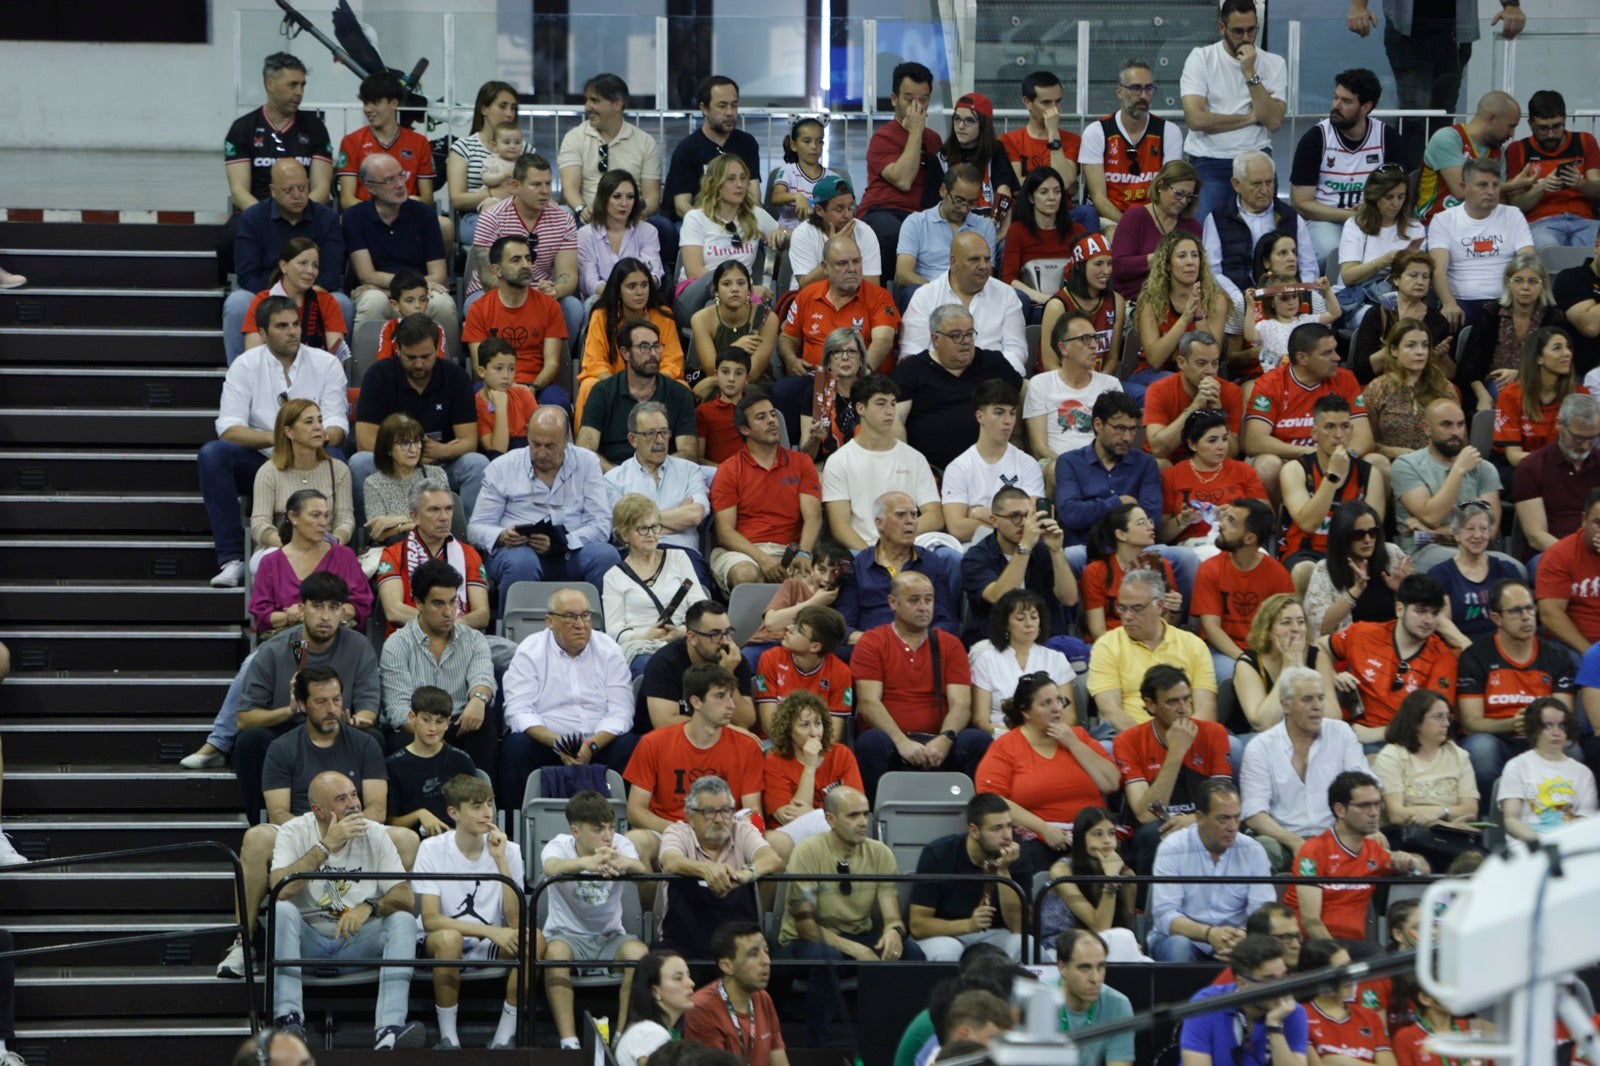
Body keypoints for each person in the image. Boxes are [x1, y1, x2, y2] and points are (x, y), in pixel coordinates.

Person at [268, 770, 425, 1049]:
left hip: (356, 941)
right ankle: (289, 1021)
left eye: (354, 794)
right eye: (342, 799)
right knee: (280, 910)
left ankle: (388, 1030)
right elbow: (281, 888)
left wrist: (370, 906)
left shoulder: (374, 833)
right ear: (318, 810)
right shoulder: (295, 831)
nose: (353, 804)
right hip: (309, 941)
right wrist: (326, 846)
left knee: (402, 920)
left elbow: (404, 896)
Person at [203, 297, 348, 588]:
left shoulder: (326, 363)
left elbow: (338, 425)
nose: (292, 331)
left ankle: (334, 549)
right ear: (263, 333)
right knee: (213, 455)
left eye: (295, 324)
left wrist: (310, 440)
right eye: (282, 326)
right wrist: (285, 438)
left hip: (312, 457)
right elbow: (229, 429)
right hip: (261, 460)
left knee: (338, 457)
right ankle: (232, 559)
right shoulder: (245, 365)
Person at [779, 786, 923, 1045]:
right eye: (853, 816)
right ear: (830, 819)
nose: (863, 823)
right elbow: (806, 927)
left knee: (912, 954)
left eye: (865, 815)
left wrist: (894, 932)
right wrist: (856, 949)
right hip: (806, 941)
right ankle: (818, 1046)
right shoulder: (808, 852)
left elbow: (893, 918)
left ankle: (900, 1042)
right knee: (829, 958)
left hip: (858, 935)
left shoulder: (880, 853)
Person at [468, 406, 620, 615]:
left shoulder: (587, 462)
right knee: (522, 562)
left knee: (607, 556)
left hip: (572, 550)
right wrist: (502, 536)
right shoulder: (503, 467)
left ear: (567, 441)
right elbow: (476, 527)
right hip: (518, 552)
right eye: (535, 444)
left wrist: (563, 542)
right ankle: (515, 642)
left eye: (550, 446)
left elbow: (602, 524)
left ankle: (601, 636)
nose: (541, 453)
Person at [851, 571, 990, 798]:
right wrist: (902, 742)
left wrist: (944, 740)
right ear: (892, 603)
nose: (924, 607)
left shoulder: (950, 644)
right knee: (871, 742)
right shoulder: (872, 642)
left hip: (939, 740)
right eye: (914, 600)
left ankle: (973, 820)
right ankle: (875, 818)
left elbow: (962, 704)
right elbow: (868, 702)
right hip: (892, 742)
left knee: (977, 740)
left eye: (929, 599)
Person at [415, 773, 525, 1050]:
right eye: (477, 806)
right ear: (454, 812)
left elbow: (515, 920)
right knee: (450, 937)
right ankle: (448, 1038)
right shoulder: (431, 848)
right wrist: (489, 930)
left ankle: (504, 1037)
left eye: (489, 804)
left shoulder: (510, 850)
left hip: (490, 941)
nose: (487, 813)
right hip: (441, 942)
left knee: (533, 939)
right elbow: (430, 919)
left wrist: (501, 861)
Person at [500, 587, 638, 801]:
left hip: (598, 744)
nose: (581, 625)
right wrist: (559, 743)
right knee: (516, 746)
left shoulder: (608, 648)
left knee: (632, 744)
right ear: (549, 621)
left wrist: (591, 745)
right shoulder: (530, 650)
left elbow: (622, 711)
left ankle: (625, 821)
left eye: (585, 615)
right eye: (570, 617)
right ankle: (514, 826)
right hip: (549, 745)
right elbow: (518, 711)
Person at [624, 664, 765, 874]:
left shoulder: (747, 746)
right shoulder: (654, 743)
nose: (731, 705)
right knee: (634, 842)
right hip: (671, 829)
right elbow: (635, 810)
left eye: (731, 696)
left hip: (725, 831)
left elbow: (753, 810)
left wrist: (734, 828)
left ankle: (752, 906)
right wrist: (685, 830)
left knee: (777, 845)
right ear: (696, 701)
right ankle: (657, 906)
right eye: (720, 696)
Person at [538, 788, 649, 1051]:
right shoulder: (559, 844)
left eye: (611, 827)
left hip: (610, 937)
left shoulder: (619, 845)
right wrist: (589, 863)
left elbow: (640, 867)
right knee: (554, 954)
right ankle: (569, 1042)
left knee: (641, 954)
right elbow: (551, 867)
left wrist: (621, 862)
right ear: (575, 831)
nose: (608, 836)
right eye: (599, 829)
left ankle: (623, 1037)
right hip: (566, 936)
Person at [975, 673, 1119, 871]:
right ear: (1026, 712)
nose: (1057, 708)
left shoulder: (1078, 736)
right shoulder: (1005, 747)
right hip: (1039, 835)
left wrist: (1074, 744)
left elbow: (1111, 783)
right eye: (1046, 703)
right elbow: (993, 800)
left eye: (1059, 700)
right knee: (1023, 857)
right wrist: (1044, 829)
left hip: (1092, 833)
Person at [351, 315, 488, 519]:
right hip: (393, 465)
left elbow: (469, 440)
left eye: (426, 356)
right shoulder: (378, 375)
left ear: (437, 349)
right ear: (398, 350)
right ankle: (370, 535)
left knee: (477, 464)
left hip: (439, 463)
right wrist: (403, 452)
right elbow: (364, 441)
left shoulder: (455, 377)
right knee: (359, 463)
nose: (418, 364)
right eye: (411, 357)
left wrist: (442, 450)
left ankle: (468, 539)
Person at [1240, 666, 1370, 871]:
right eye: (1308, 699)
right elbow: (1255, 814)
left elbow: (1363, 789)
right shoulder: (1261, 747)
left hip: (1338, 838)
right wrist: (1294, 842)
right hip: (1284, 841)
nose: (1318, 706)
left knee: (1394, 859)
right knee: (1261, 849)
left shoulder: (1341, 733)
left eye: (1321, 698)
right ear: (1286, 705)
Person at [1457, 578, 1575, 803]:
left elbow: (1565, 717)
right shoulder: (1475, 656)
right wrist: (1513, 723)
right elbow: (1471, 723)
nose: (1526, 617)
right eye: (1516, 611)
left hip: (1543, 737)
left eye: (1530, 608)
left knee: (1570, 749)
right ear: (1496, 618)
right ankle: (1487, 822)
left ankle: (1556, 818)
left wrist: (1537, 725)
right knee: (1480, 747)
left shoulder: (1557, 656)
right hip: (1497, 741)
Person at [1284, 771, 1428, 952]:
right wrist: (1337, 957)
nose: (1374, 813)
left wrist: (1411, 861)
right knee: (1378, 959)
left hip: (1356, 946)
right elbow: (1310, 920)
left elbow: (1425, 869)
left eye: (1377, 804)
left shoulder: (1374, 852)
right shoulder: (1313, 851)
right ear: (1340, 810)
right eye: (1365, 806)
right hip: (1314, 946)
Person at [1112, 664, 1234, 874]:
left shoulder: (1214, 733)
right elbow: (1146, 815)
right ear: (1150, 705)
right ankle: (1146, 907)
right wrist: (1176, 753)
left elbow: (1224, 801)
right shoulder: (1128, 741)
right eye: (1172, 702)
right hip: (1156, 827)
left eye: (1186, 699)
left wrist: (1194, 819)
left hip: (1203, 820)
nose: (1183, 708)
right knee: (1153, 833)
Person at [226, 158, 348, 364]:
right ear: (273, 190)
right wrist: (284, 292)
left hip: (314, 288)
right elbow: (247, 274)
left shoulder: (326, 218)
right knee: (237, 304)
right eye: (289, 190)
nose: (297, 195)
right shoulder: (253, 218)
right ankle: (239, 375)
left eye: (302, 188)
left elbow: (332, 270)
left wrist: (305, 289)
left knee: (343, 303)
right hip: (265, 289)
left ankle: (336, 376)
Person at [377, 546, 497, 751]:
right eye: (438, 604)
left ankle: (482, 784)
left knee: (484, 721)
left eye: (453, 602)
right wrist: (434, 734)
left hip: (459, 724)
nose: (449, 612)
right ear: (418, 603)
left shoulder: (474, 640)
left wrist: (478, 700)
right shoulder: (396, 645)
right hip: (415, 730)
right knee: (400, 741)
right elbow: (398, 709)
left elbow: (482, 678)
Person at [1320, 573, 1460, 748]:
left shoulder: (1443, 657)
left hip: (1410, 744)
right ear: (1399, 609)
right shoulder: (1363, 633)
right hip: (1355, 738)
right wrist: (1332, 675)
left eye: (1435, 613)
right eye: (1420, 611)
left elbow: (1436, 721)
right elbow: (1320, 648)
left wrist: (1377, 733)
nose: (1428, 621)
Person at [1179, 0, 1288, 224]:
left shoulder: (1274, 63)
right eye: (1238, 31)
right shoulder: (1201, 58)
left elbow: (1274, 121)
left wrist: (1250, 72)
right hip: (1210, 159)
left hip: (1255, 156)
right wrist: (1250, 117)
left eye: (1252, 30)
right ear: (1222, 28)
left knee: (1268, 229)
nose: (1246, 37)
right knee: (1205, 225)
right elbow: (1196, 119)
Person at [1148, 779, 1275, 962]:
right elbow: (1165, 916)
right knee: (1179, 946)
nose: (1232, 827)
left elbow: (1262, 911)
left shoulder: (1253, 851)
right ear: (1200, 818)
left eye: (1236, 817)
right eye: (1223, 818)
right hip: (1184, 937)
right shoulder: (1173, 848)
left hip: (1236, 940)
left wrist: (1243, 935)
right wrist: (1209, 934)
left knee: (1262, 943)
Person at [820, 375, 950, 550]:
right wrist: (875, 556)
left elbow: (934, 516)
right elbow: (839, 526)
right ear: (860, 408)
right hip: (863, 550)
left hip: (909, 546)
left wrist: (898, 535)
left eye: (893, 403)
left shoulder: (915, 458)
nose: (890, 411)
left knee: (949, 557)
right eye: (881, 403)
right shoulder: (839, 461)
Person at [659, 778, 784, 959]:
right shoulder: (678, 833)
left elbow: (771, 859)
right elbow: (671, 862)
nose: (719, 819)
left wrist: (745, 874)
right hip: (684, 946)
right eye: (709, 812)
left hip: (740, 949)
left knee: (784, 965)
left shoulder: (743, 831)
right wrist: (706, 869)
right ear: (690, 817)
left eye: (725, 811)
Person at [709, 392, 823, 591]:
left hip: (793, 550)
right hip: (743, 551)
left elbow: (813, 517)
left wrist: (804, 553)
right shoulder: (728, 470)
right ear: (745, 429)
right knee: (746, 574)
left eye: (772, 414)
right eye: (761, 417)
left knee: (807, 584)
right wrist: (763, 559)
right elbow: (725, 532)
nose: (772, 420)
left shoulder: (802, 462)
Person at [893, 304, 1025, 473]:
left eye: (969, 334)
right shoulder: (912, 369)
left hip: (992, 468)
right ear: (935, 339)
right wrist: (906, 467)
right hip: (931, 471)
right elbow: (894, 419)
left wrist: (1016, 436)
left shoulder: (994, 363)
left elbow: (1022, 393)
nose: (966, 341)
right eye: (956, 336)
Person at [467, 154, 583, 347]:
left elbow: (568, 275)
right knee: (475, 304)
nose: (545, 191)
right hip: (494, 292)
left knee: (572, 307)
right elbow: (488, 278)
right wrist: (526, 297)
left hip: (541, 293)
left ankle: (558, 367)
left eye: (548, 184)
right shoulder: (491, 218)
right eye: (536, 184)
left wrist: (555, 289)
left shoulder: (564, 220)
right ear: (515, 186)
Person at [1245, 323, 1374, 494]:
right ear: (1302, 358)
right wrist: (1313, 454)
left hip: (1339, 457)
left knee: (1377, 462)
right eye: (1327, 353)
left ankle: (1368, 520)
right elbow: (1254, 442)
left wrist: (1345, 457)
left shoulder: (1345, 378)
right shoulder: (1271, 383)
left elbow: (1364, 437)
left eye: (1335, 350)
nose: (1337, 357)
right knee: (1266, 465)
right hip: (1290, 460)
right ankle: (1279, 520)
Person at [222, 53, 333, 248]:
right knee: (229, 239)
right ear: (270, 84)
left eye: (303, 85)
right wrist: (269, 221)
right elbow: (239, 190)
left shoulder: (315, 127)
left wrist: (296, 216)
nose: (299, 92)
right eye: (293, 85)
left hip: (306, 215)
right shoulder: (242, 128)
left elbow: (322, 189)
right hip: (259, 215)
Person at [1087, 568, 1219, 731]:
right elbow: (1110, 711)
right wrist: (1151, 744)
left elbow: (1206, 708)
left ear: (1160, 606)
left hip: (1187, 735)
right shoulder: (1106, 646)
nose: (1127, 616)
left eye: (1136, 608)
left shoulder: (1193, 645)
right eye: (1122, 608)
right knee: (1106, 748)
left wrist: (1182, 740)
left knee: (1232, 746)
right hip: (1129, 737)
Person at [1289, 69, 1396, 261]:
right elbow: (1301, 203)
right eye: (1335, 98)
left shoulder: (1386, 137)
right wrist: (1348, 216)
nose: (1336, 105)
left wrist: (1373, 211)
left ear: (1365, 107)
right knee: (1330, 252)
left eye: (1346, 101)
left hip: (1374, 218)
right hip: (1325, 221)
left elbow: (1401, 190)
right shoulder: (1316, 138)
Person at [909, 793, 1029, 962]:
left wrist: (1002, 871)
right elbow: (918, 925)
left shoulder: (1017, 856)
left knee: (1026, 945)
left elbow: (1019, 928)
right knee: (947, 950)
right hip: (948, 934)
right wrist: (968, 925)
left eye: (1009, 826)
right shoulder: (939, 853)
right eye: (997, 828)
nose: (1007, 836)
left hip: (995, 934)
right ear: (974, 830)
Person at [1370, 690, 1482, 869]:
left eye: (1448, 717)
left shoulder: (1458, 755)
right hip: (1406, 838)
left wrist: (1438, 814)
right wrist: (1446, 818)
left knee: (1483, 864)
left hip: (1451, 837)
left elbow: (1470, 809)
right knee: (1421, 863)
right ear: (1415, 721)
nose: (1446, 723)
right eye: (1438, 717)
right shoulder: (1392, 755)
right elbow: (1396, 813)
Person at [344, 153, 454, 334]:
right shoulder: (354, 217)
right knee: (372, 302)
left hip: (417, 290)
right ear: (371, 188)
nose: (400, 184)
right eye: (389, 180)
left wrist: (399, 292)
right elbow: (367, 276)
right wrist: (400, 292)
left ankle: (447, 362)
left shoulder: (424, 214)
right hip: (384, 292)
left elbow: (439, 275)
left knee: (443, 305)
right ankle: (366, 364)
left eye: (401, 175)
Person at [603, 493, 709, 675]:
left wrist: (681, 631)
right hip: (641, 645)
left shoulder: (679, 558)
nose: (651, 535)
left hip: (683, 638)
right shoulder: (613, 576)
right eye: (643, 529)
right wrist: (645, 637)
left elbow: (700, 607)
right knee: (649, 666)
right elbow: (614, 630)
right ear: (624, 534)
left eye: (655, 527)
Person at [1427, 157, 1536, 331]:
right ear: (1464, 188)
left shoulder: (1513, 214)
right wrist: (1449, 303)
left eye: (1495, 185)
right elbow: (1438, 270)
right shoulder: (1443, 220)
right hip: (1462, 302)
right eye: (1483, 185)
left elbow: (1529, 261)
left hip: (1506, 301)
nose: (1491, 191)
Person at [1193, 499, 1296, 681]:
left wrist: (1267, 660)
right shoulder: (1210, 569)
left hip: (1265, 651)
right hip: (1223, 650)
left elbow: (1285, 627)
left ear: (1250, 539)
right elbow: (1211, 629)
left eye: (1231, 521)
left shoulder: (1278, 574)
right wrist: (1244, 659)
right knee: (1231, 674)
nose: (1221, 525)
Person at [462, 235, 570, 407]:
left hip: (539, 385)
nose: (526, 265)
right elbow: (479, 365)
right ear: (497, 270)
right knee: (472, 402)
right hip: (494, 384)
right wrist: (510, 389)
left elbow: (552, 363)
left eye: (528, 259)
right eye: (516, 260)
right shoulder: (479, 309)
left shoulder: (550, 306)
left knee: (557, 403)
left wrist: (532, 388)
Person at [903, 233, 1031, 377]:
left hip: (992, 383)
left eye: (987, 259)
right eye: (974, 259)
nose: (984, 266)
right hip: (938, 382)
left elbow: (1016, 350)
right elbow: (912, 352)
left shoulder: (1006, 294)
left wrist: (1000, 379)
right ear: (953, 262)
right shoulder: (925, 296)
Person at [1393, 399, 1501, 568]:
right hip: (1424, 552)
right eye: (1446, 425)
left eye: (1460, 425)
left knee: (1514, 568)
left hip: (1475, 551)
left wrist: (1430, 533)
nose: (1456, 432)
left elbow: (1490, 531)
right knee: (1460, 565)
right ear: (1426, 428)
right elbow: (1432, 516)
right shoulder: (1406, 465)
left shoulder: (1484, 468)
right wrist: (1458, 469)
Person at [676, 154, 785, 321]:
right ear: (715, 184)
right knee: (714, 288)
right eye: (731, 179)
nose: (740, 185)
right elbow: (694, 272)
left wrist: (782, 234)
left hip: (735, 299)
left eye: (743, 178)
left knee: (715, 306)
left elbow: (793, 235)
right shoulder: (696, 217)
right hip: (694, 295)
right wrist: (745, 289)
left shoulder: (755, 215)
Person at [961, 485, 1077, 642]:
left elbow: (1069, 599)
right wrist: (1025, 547)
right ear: (994, 521)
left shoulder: (1043, 549)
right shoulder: (976, 557)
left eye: (1028, 516)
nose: (1024, 523)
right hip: (996, 640)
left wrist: (1056, 551)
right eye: (1015, 516)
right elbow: (1000, 598)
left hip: (1045, 638)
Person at [578, 319, 698, 470]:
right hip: (614, 473)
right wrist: (620, 477)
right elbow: (585, 449)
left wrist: (648, 474)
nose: (654, 354)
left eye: (656, 346)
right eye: (644, 347)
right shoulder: (602, 392)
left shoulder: (679, 394)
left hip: (665, 472)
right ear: (625, 353)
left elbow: (689, 453)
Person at [248, 489, 370, 636]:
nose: (323, 523)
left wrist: (309, 614)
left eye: (326, 516)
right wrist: (289, 617)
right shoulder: (270, 562)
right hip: (288, 640)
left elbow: (359, 606)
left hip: (337, 640)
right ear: (293, 517)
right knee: (299, 654)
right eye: (315, 516)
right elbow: (262, 616)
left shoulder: (344, 556)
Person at [1080, 59, 1184, 231]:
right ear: (1119, 91)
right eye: (1136, 88)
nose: (1143, 96)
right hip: (1110, 218)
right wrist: (1130, 227)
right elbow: (1099, 198)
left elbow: (1168, 193)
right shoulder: (1097, 132)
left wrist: (1150, 227)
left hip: (1154, 218)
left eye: (1148, 89)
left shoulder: (1168, 131)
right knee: (1114, 234)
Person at [374, 482, 490, 636]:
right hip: (409, 642)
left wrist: (453, 626)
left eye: (448, 509)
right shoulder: (393, 554)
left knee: (507, 650)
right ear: (415, 517)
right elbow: (394, 611)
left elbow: (482, 614)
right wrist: (440, 625)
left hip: (460, 640)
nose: (444, 517)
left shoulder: (469, 554)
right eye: (434, 510)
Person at [777, 236, 899, 381]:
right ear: (825, 267)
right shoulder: (808, 295)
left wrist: (863, 371)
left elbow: (883, 340)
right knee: (782, 392)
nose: (852, 269)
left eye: (856, 261)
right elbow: (787, 338)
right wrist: (791, 360)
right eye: (842, 263)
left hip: (862, 380)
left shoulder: (879, 297)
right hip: (814, 379)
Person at [857, 62, 943, 267]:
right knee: (894, 234)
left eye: (923, 100)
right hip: (883, 211)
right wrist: (915, 132)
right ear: (894, 99)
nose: (917, 106)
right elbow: (903, 181)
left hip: (923, 214)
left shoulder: (934, 139)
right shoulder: (882, 138)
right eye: (909, 99)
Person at [1456, 253, 1564, 416]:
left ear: (1543, 285)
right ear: (1508, 283)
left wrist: (1520, 374)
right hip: (1494, 381)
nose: (1525, 287)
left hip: (1538, 381)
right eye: (1518, 280)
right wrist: (1482, 394)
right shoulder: (1491, 312)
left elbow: (1558, 363)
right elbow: (1469, 365)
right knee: (1506, 394)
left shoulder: (1553, 317)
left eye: (1533, 281)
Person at [1203, 151, 1317, 305]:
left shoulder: (1291, 217)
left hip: (1286, 299)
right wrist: (1239, 298)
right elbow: (1212, 271)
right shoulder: (1217, 218)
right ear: (1236, 184)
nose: (1265, 190)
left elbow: (1308, 268)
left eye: (1269, 182)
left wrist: (1297, 294)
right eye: (1256, 184)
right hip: (1236, 299)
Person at [1054, 391, 1161, 552]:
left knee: (1183, 557)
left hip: (1135, 550)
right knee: (1072, 555)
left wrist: (1093, 510)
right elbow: (1071, 514)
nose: (1128, 437)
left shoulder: (1145, 463)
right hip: (1086, 549)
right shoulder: (1069, 462)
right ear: (1098, 424)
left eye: (1133, 429)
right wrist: (1119, 503)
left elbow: (1153, 518)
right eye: (1120, 428)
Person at [248, 399, 354, 562]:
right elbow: (259, 524)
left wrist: (335, 541)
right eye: (308, 422)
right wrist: (290, 545)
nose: (318, 427)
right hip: (281, 549)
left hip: (325, 548)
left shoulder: (339, 470)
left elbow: (345, 519)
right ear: (289, 432)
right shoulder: (269, 472)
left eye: (319, 420)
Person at [942, 381, 1046, 545]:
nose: (1008, 421)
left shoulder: (1027, 464)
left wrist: (977, 512)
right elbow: (957, 528)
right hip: (973, 549)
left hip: (1019, 548)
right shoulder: (958, 467)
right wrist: (1009, 522)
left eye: (1012, 413)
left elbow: (1031, 521)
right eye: (999, 412)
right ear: (980, 416)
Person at [578, 258, 682, 419]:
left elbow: (673, 362)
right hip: (612, 383)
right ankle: (586, 443)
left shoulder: (663, 316)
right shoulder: (602, 316)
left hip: (656, 382)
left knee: (681, 387)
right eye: (632, 287)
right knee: (589, 385)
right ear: (618, 290)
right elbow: (594, 362)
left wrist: (650, 384)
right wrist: (621, 387)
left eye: (644, 285)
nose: (640, 292)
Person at [1180, 933, 1307, 1062]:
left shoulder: (1291, 1010)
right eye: (1270, 980)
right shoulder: (1206, 1004)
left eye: (1283, 976)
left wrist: (1275, 1027)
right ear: (1241, 982)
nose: (1280, 988)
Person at [636, 600, 758, 733]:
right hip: (669, 744)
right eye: (715, 634)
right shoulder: (665, 663)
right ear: (692, 637)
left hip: (715, 742)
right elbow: (664, 723)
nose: (724, 641)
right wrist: (724, 728)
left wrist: (726, 674)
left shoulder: (733, 660)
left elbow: (745, 722)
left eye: (728, 632)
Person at [1025, 310, 1125, 469]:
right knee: (1053, 470)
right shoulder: (1041, 384)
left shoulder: (1110, 385)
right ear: (1063, 348)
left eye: (1095, 337)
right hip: (1056, 465)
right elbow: (1039, 448)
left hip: (1101, 465)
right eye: (1085, 339)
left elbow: (1118, 439)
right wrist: (1073, 468)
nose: (1094, 345)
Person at [970, 589, 1078, 735]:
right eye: (1020, 619)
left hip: (1048, 737)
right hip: (1001, 736)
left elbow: (1069, 717)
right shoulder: (986, 660)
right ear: (1006, 624)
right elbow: (980, 719)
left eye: (1034, 617)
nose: (1029, 624)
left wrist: (1037, 736)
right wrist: (1017, 736)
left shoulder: (1056, 659)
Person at [559, 72, 663, 224]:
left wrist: (632, 213)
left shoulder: (645, 141)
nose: (587, 107)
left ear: (617, 104)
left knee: (664, 228)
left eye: (594, 101)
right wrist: (582, 209)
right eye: (587, 100)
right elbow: (570, 188)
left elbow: (652, 197)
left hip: (631, 216)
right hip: (589, 217)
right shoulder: (574, 137)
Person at [1133, 231, 1231, 389]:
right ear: (1167, 265)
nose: (1190, 262)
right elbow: (1155, 360)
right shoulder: (1150, 301)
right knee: (1178, 383)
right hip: (1152, 374)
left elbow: (1213, 356)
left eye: (1194, 255)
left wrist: (1199, 315)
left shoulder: (1216, 300)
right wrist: (1185, 318)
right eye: (1182, 256)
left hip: (1198, 375)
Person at [1504, 90, 1600, 250]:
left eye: (1557, 127)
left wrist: (1581, 183)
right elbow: (1516, 205)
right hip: (1542, 223)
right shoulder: (1518, 149)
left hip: (1584, 221)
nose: (1551, 135)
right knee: (1550, 252)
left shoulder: (1584, 140)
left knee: (1593, 254)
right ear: (1530, 125)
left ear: (1565, 119)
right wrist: (1542, 187)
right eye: (1542, 129)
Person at [1037, 810, 1140, 962]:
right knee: (1124, 938)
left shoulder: (1125, 875)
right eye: (1097, 834)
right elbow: (1100, 926)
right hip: (1061, 948)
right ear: (1080, 838)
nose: (1107, 840)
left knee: (1144, 959)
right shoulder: (1062, 871)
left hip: (1104, 945)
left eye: (1111, 833)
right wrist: (1110, 879)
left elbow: (1126, 924)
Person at [682, 920, 788, 1066]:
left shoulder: (763, 998)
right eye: (753, 954)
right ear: (727, 966)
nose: (766, 961)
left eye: (766, 951)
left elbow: (779, 1058)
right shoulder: (702, 1009)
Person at [1161, 412, 1266, 558]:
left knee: (1263, 559)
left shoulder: (1244, 470)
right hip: (1194, 546)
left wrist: (1236, 513)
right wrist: (1183, 520)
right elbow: (1161, 535)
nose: (1222, 446)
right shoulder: (1172, 475)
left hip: (1237, 543)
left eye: (1224, 439)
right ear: (1192, 444)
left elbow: (1267, 519)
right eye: (1212, 440)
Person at [761, 690, 863, 839]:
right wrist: (810, 766)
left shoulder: (841, 754)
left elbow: (855, 808)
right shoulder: (774, 762)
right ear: (789, 730)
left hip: (836, 833)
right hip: (791, 838)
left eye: (818, 723)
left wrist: (816, 814)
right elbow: (793, 819)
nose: (814, 732)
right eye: (804, 725)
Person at [1413, 90, 1523, 225]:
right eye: (1511, 126)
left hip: (1479, 227)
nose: (1512, 134)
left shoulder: (1498, 152)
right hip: (1435, 225)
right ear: (1491, 118)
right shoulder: (1447, 138)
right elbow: (1461, 190)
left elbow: (1501, 200)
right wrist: (1513, 185)